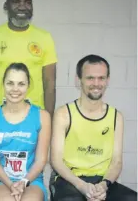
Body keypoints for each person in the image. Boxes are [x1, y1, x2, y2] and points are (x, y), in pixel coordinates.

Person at [50, 54, 137, 201]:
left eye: (101, 78)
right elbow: (56, 160)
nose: (96, 83)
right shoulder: (64, 113)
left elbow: (117, 162)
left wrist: (104, 185)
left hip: (102, 182)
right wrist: (82, 186)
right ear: (79, 80)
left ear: (107, 80)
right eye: (90, 78)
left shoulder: (116, 117)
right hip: (70, 180)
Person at [0, 0, 57, 138]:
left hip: (34, 117)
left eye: (27, 2)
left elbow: (50, 82)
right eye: (16, 2)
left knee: (32, 161)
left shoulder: (45, 38)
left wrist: (48, 119)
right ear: (6, 6)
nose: (22, 6)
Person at [0, 62, 51, 201]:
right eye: (10, 83)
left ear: (28, 86)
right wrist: (11, 184)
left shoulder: (42, 116)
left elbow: (41, 160)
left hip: (31, 180)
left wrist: (24, 182)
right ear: (3, 85)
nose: (15, 89)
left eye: (21, 84)